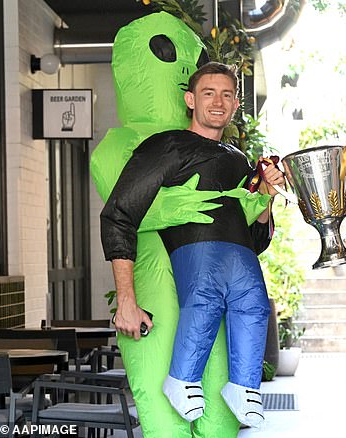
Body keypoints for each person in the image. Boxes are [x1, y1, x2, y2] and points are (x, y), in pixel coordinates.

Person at [100, 62, 284, 428]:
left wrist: (266, 196)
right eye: (208, 93)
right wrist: (126, 299)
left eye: (227, 95)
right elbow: (119, 214)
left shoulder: (240, 160)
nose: (218, 102)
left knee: (254, 306)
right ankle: (181, 380)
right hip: (194, 264)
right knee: (204, 300)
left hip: (240, 260)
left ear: (235, 106)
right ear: (190, 99)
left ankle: (245, 389)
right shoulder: (167, 146)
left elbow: (256, 239)